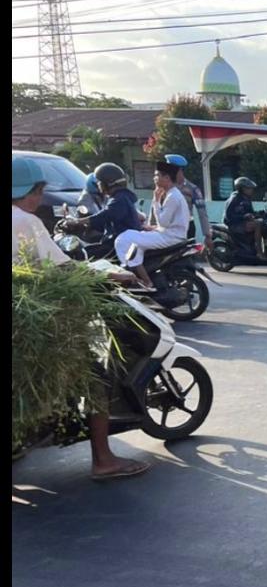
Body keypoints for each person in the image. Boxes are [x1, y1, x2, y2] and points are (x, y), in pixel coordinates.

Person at [11, 156, 149, 482]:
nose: (41, 197)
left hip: (23, 317)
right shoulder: (26, 222)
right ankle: (103, 460)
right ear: (27, 190)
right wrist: (113, 276)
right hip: (36, 324)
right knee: (98, 376)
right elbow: (63, 267)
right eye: (39, 190)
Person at [110, 161, 190, 291]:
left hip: (171, 237)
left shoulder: (173, 196)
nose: (155, 178)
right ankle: (143, 278)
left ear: (167, 178)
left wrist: (156, 201)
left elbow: (163, 222)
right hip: (169, 234)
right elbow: (168, 224)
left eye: (157, 175)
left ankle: (145, 281)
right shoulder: (172, 194)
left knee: (124, 239)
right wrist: (154, 228)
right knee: (133, 240)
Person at [165, 154, 211, 245]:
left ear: (180, 170)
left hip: (187, 227)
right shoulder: (164, 187)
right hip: (168, 228)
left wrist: (207, 235)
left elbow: (202, 212)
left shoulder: (192, 189)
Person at [223, 176, 267, 259]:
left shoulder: (247, 199)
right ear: (242, 188)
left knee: (264, 223)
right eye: (249, 188)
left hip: (243, 223)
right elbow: (228, 215)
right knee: (258, 224)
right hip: (234, 224)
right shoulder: (234, 198)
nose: (251, 190)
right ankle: (259, 252)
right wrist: (243, 216)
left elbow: (251, 213)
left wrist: (263, 213)